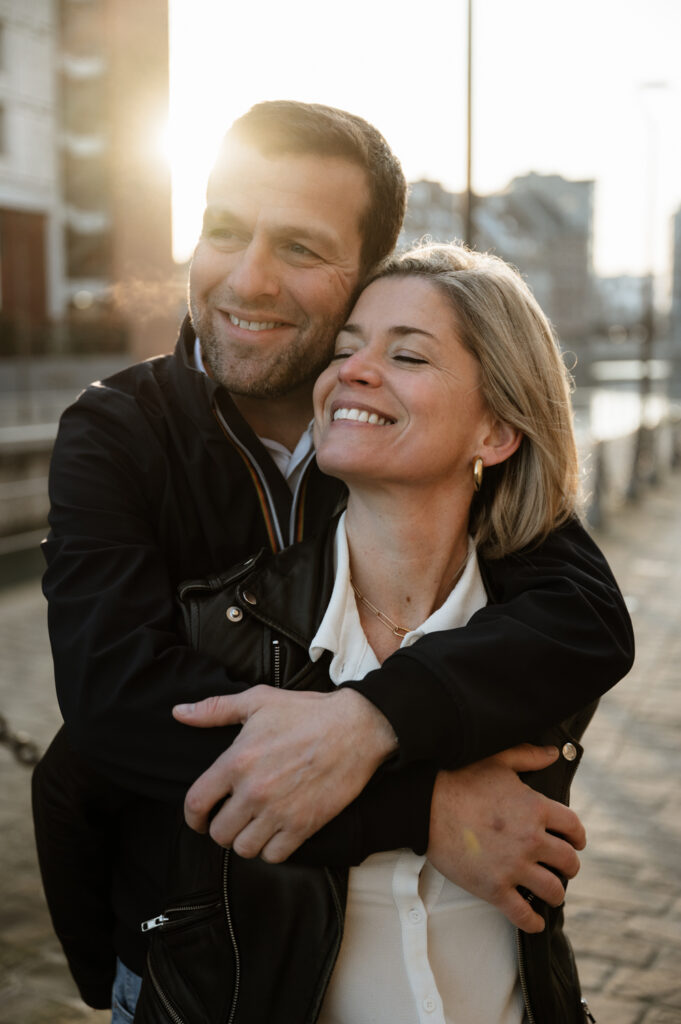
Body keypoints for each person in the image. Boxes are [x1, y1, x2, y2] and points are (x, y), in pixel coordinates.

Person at [32, 101, 632, 1018]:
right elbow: (117, 698)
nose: (247, 277)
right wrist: (421, 811)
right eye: (223, 232)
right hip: (193, 955)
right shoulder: (119, 430)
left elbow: (580, 616)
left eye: (301, 250)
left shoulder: (407, 446)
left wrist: (373, 721)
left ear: (366, 278)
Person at [132, 241, 602, 1024]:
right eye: (345, 348)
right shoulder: (225, 631)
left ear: (495, 431)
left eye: (407, 355)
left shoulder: (543, 646)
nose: (351, 368)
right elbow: (92, 813)